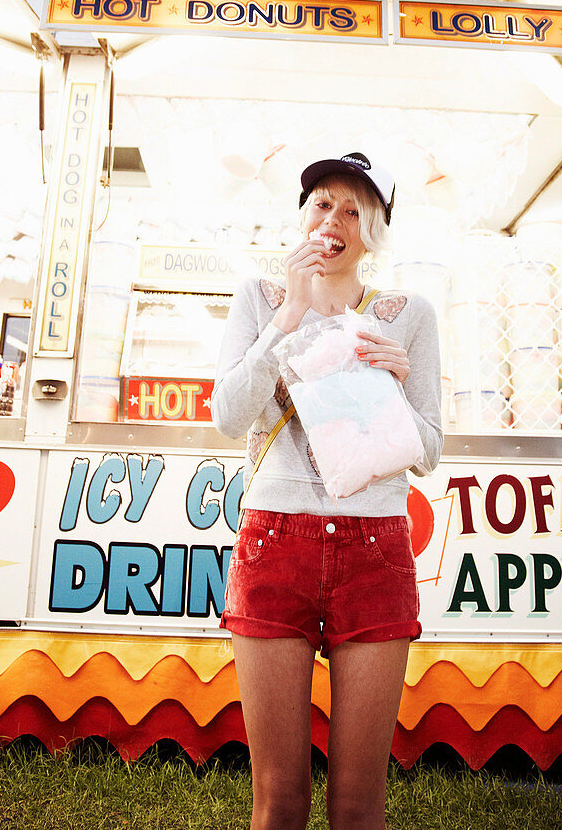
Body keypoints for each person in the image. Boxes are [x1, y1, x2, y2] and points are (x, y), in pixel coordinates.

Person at [212, 151, 442, 830]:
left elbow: (426, 452)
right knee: (279, 802)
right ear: (302, 213)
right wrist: (286, 320)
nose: (332, 220)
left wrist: (394, 386)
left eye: (352, 209)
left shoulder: (409, 314)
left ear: (372, 229)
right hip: (275, 538)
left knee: (357, 807)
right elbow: (228, 417)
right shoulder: (258, 297)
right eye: (321, 203)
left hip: (374, 544)